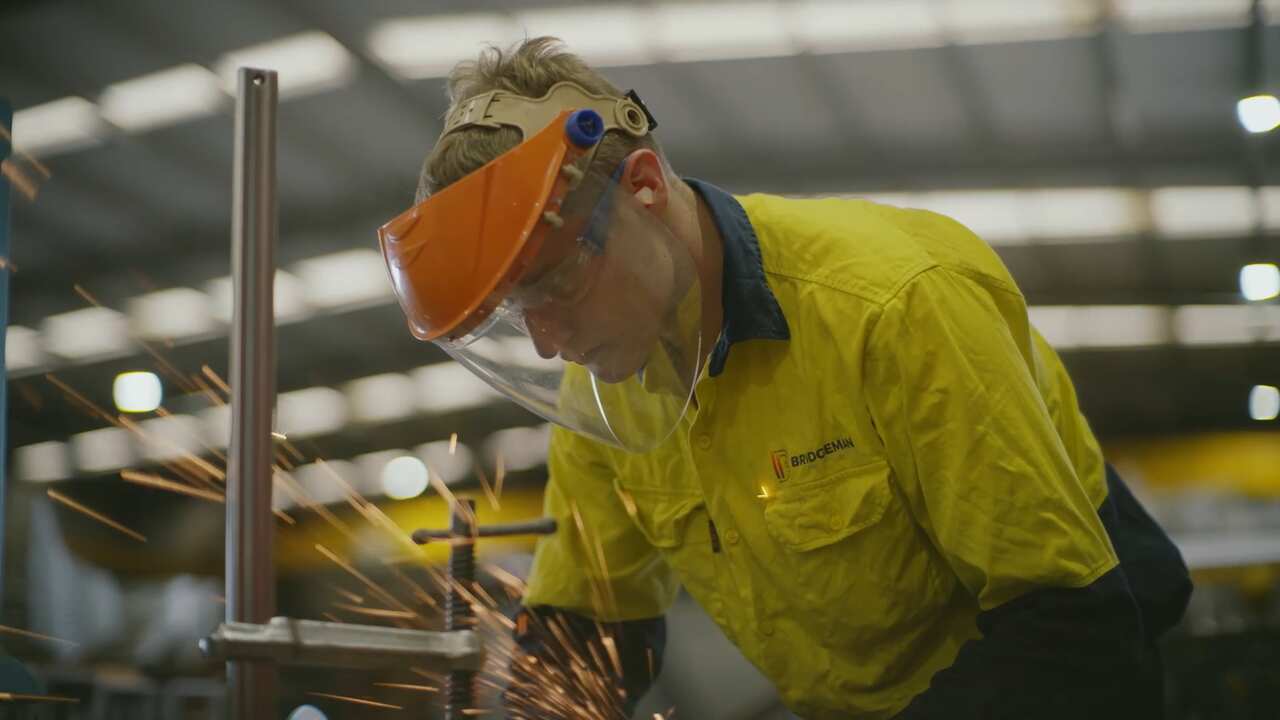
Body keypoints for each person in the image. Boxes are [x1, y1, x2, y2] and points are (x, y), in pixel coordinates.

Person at [377, 37, 1192, 719]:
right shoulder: (610, 380)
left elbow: (1071, 635)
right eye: (521, 317)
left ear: (646, 188)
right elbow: (590, 633)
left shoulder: (894, 304)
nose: (551, 344)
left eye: (555, 287)